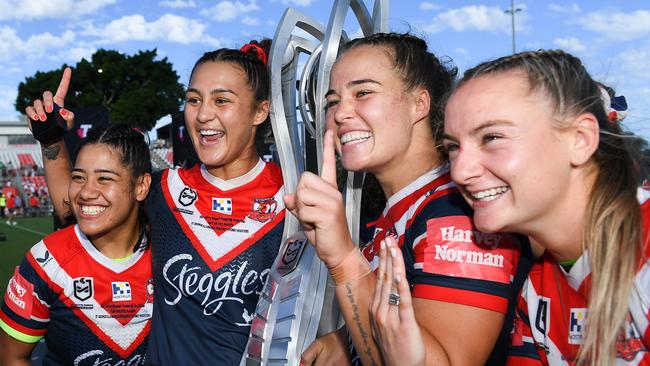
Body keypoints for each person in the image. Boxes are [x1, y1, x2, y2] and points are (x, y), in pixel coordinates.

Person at [374, 49, 650, 365]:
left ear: (580, 139)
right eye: (453, 147)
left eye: (491, 137)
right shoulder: (536, 290)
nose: (461, 171)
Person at [25, 40, 285, 365]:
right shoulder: (163, 191)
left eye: (221, 100)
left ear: (260, 110)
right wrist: (51, 139)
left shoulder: (293, 198)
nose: (203, 114)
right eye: (193, 100)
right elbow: (70, 205)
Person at [286, 33, 531, 366]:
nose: (341, 113)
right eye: (332, 101)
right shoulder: (398, 213)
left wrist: (344, 260)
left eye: (363, 93)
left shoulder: (456, 212)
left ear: (420, 104)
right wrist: (347, 341)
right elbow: (407, 317)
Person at [0, 124, 153, 365]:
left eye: (104, 178)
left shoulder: (169, 251)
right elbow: (12, 357)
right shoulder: (45, 262)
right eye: (79, 177)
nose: (86, 192)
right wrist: (50, 139)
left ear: (141, 186)